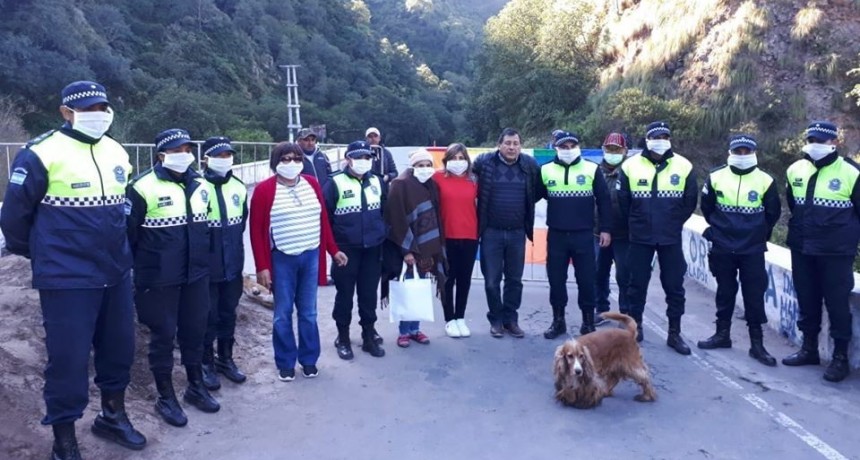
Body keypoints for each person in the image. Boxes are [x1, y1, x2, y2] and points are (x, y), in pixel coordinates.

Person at [0, 80, 146, 459]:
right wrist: (46, 256)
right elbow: (14, 219)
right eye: (87, 109)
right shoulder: (40, 153)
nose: (98, 115)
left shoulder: (116, 151)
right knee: (68, 359)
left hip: (115, 272)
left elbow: (125, 208)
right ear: (66, 113)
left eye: (102, 108)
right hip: (67, 278)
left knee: (119, 350)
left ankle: (112, 416)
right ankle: (64, 440)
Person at [127, 128, 219, 427]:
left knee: (195, 332)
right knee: (163, 337)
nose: (184, 155)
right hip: (158, 280)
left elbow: (206, 227)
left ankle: (195, 386)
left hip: (196, 275)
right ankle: (166, 397)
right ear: (161, 155)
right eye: (177, 150)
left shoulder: (201, 185)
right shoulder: (141, 187)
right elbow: (128, 236)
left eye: (188, 149)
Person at [250, 142, 347, 381]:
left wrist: (333, 250)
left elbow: (323, 221)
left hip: (310, 255)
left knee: (308, 312)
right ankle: (285, 361)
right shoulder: (264, 190)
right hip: (282, 258)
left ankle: (309, 359)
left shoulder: (312, 184)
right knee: (283, 313)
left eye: (296, 158)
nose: (291, 163)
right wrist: (262, 266)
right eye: (285, 159)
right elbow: (256, 231)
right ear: (275, 163)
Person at [782, 121, 860, 382]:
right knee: (807, 300)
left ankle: (840, 358)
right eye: (812, 140)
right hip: (802, 248)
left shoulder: (851, 172)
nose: (815, 145)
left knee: (837, 305)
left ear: (835, 142)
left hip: (836, 252)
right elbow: (793, 204)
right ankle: (809, 349)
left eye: (821, 140)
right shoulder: (795, 170)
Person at [698, 135, 781, 366]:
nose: (742, 155)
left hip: (752, 248)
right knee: (725, 292)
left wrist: (756, 233)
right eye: (738, 151)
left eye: (746, 151)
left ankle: (757, 344)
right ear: (730, 152)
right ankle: (722, 335)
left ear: (754, 153)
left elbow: (772, 213)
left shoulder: (766, 180)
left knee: (754, 295)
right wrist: (720, 230)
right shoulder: (715, 177)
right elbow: (707, 208)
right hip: (723, 246)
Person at [618, 121, 697, 354]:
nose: (660, 141)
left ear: (669, 139)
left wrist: (673, 222)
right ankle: (636, 328)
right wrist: (637, 222)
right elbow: (623, 201)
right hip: (640, 237)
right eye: (656, 137)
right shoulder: (630, 165)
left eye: (664, 136)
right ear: (647, 139)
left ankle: (674, 333)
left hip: (670, 237)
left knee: (674, 286)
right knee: (636, 285)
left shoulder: (684, 166)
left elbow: (690, 201)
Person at [538, 131, 612, 339]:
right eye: (564, 147)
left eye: (572, 146)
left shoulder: (591, 168)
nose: (568, 150)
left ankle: (588, 323)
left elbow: (604, 200)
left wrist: (606, 229)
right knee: (556, 281)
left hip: (584, 235)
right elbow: (533, 196)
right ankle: (558, 322)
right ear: (556, 148)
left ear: (578, 147)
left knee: (587, 281)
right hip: (557, 236)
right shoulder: (545, 170)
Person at [472, 127, 541, 338]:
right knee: (491, 281)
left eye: (516, 144)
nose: (512, 147)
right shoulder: (484, 162)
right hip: (491, 232)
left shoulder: (529, 165)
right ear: (499, 145)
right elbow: (466, 178)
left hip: (517, 233)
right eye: (508, 143)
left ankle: (511, 320)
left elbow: (537, 191)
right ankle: (496, 319)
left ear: (520, 146)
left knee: (514, 280)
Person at [324, 141, 388, 359]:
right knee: (345, 296)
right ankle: (343, 338)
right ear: (348, 159)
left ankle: (368, 336)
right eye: (359, 157)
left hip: (372, 249)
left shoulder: (377, 181)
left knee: (368, 295)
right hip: (345, 251)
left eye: (367, 157)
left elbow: (385, 212)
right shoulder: (334, 182)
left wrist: (382, 236)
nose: (363, 161)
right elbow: (325, 220)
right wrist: (333, 250)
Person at [383, 149, 447, 347]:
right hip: (409, 248)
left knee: (419, 288)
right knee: (408, 289)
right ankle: (403, 331)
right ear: (412, 166)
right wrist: (407, 250)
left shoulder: (431, 184)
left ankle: (415, 329)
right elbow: (396, 220)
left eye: (428, 165)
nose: (425, 169)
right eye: (420, 165)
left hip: (427, 248)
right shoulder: (400, 184)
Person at [199, 137, 248, 391]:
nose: (225, 159)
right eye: (219, 155)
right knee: (207, 316)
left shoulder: (239, 187)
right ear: (206, 159)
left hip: (232, 265)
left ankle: (225, 358)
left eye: (228, 155)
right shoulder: (196, 186)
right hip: (206, 268)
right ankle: (205, 363)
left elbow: (241, 224)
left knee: (228, 313)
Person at [433, 143, 479, 338]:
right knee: (447, 280)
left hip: (470, 235)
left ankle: (460, 317)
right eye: (453, 158)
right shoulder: (437, 178)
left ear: (467, 160)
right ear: (446, 160)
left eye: (461, 158)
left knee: (464, 280)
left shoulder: (474, 180)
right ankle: (449, 319)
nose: (458, 162)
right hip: (446, 237)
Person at [594, 133, 631, 325]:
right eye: (609, 148)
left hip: (624, 234)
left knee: (624, 274)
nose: (613, 152)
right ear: (603, 149)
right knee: (598, 272)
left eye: (617, 149)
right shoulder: (594, 171)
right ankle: (601, 310)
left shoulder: (630, 171)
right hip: (597, 232)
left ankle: (626, 313)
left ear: (625, 150)